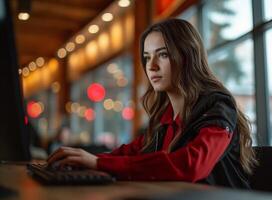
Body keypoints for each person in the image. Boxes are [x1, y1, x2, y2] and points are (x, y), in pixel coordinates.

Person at [47, 18, 257, 188]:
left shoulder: (217, 105)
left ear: (187, 56)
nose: (152, 66)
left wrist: (98, 163)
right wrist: (83, 160)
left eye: (163, 54)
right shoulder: (166, 117)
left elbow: (192, 165)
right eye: (147, 57)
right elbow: (132, 152)